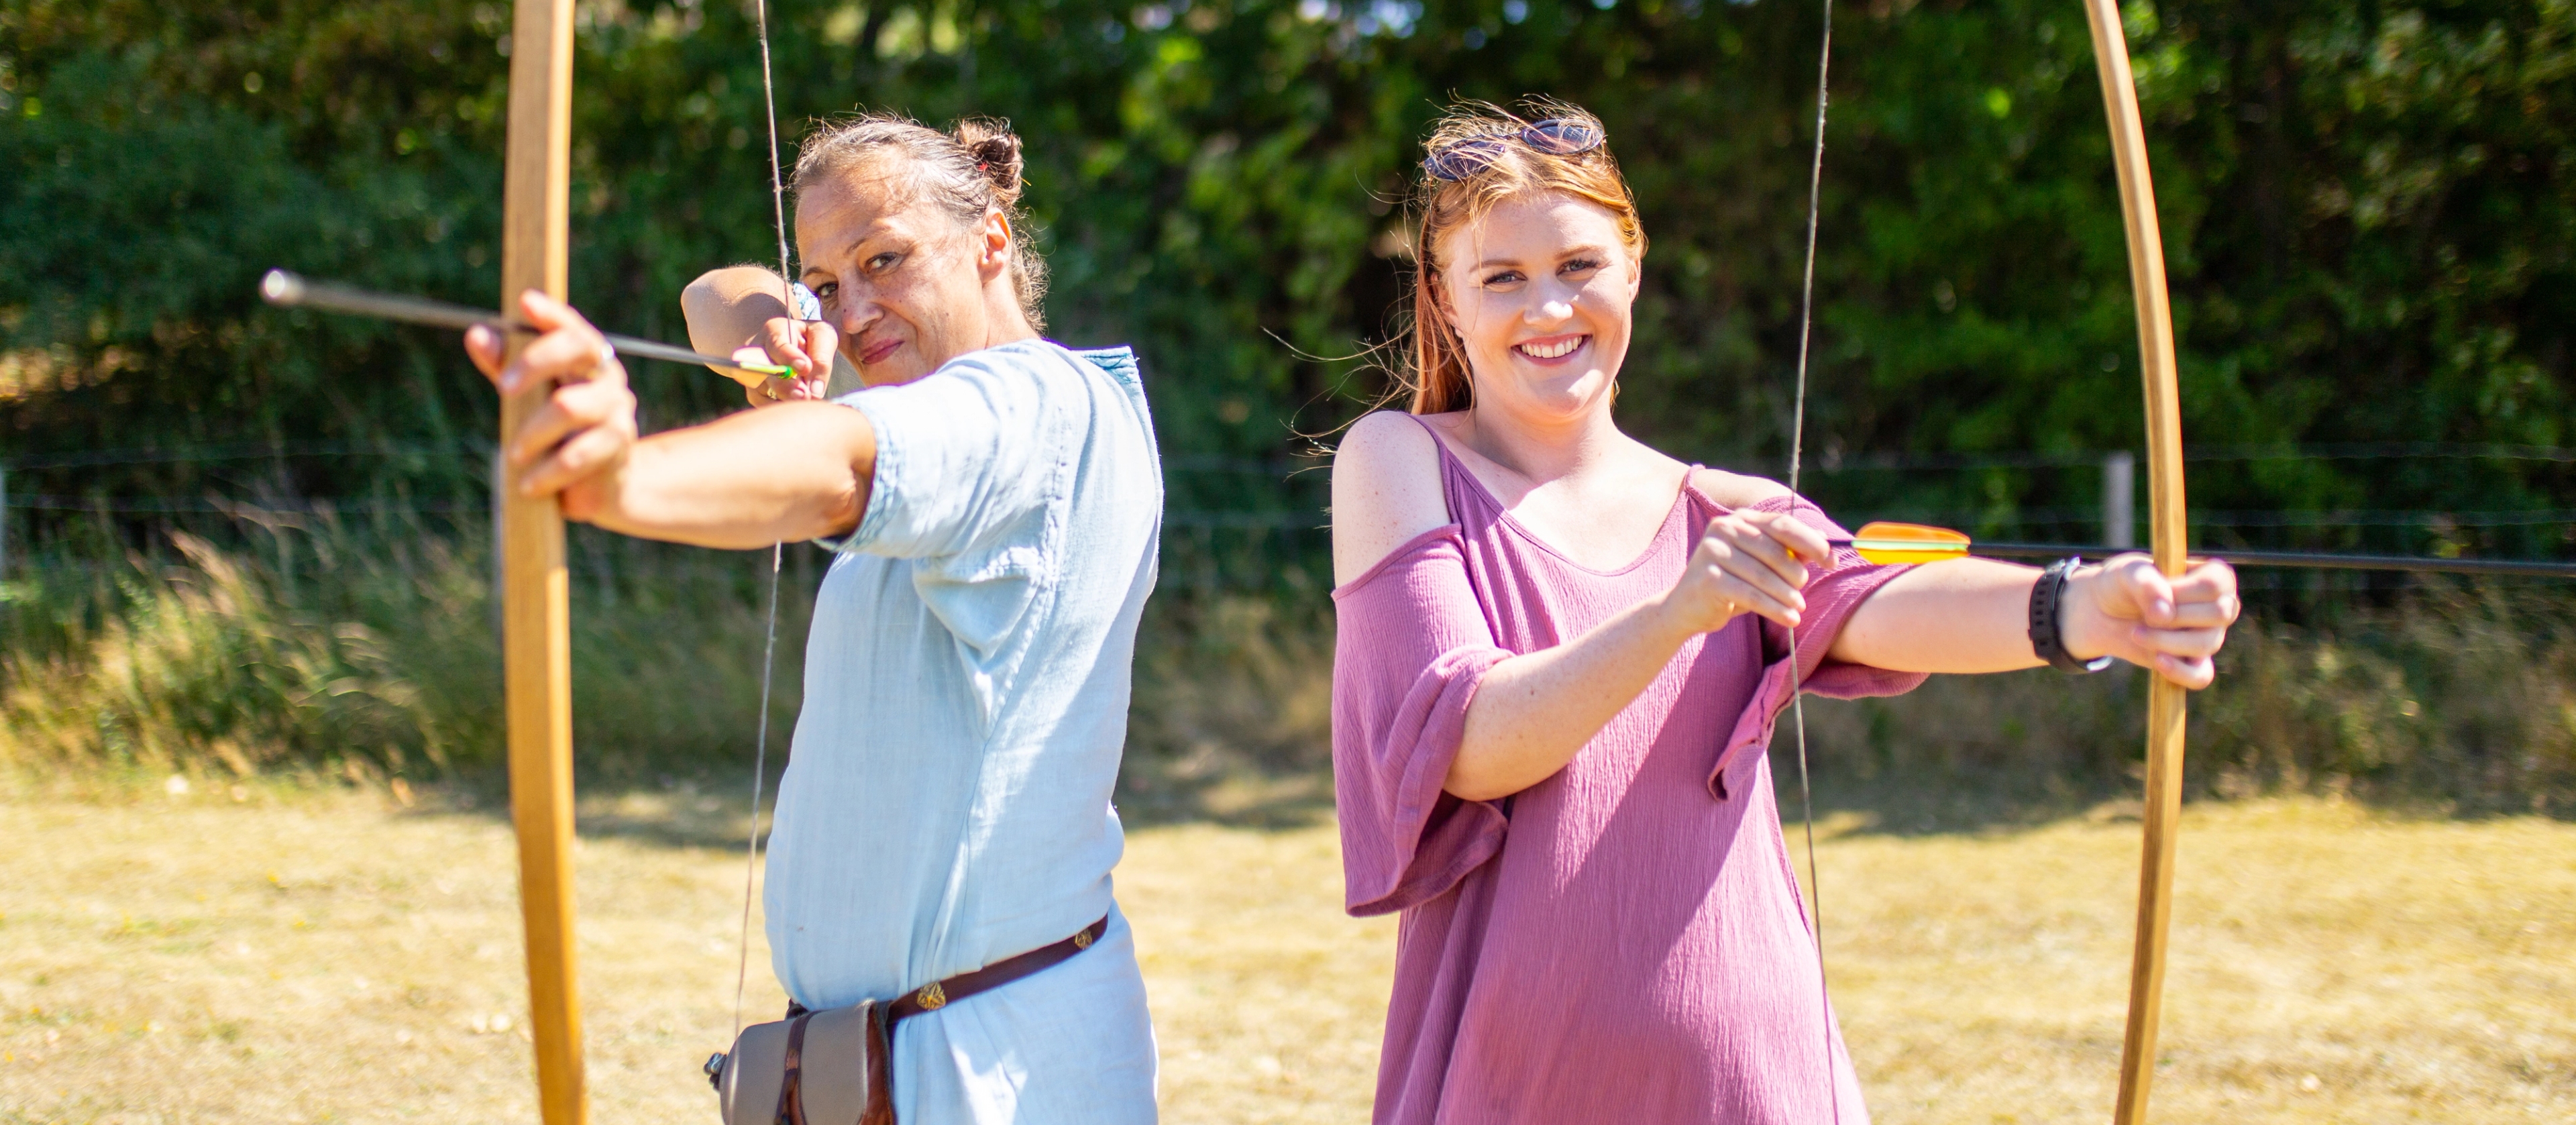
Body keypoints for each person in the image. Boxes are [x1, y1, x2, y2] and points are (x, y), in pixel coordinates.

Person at [1328, 101, 2239, 1124]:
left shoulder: (1731, 512)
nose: (1549, 307)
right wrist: (1676, 613)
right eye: (1502, 277)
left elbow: (1879, 599)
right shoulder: (1398, 461)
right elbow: (1469, 743)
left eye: (1580, 265)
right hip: (1516, 1085)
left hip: (1760, 1078)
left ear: (1633, 270)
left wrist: (2083, 607)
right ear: (1445, 300)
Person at [466, 114, 1161, 1124]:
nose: (857, 309)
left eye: (886, 260)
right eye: (829, 285)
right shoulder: (934, 395)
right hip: (884, 1054)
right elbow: (710, 297)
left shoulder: (1031, 406)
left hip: (992, 1072)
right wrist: (778, 326)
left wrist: (617, 479)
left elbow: (843, 467)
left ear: (990, 240)